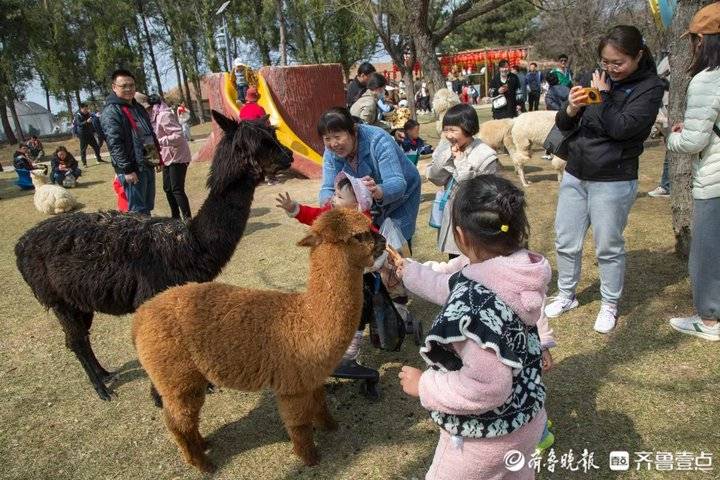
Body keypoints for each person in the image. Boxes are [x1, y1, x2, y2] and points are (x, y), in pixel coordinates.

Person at [395, 175, 548, 480]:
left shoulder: (476, 308)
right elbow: (450, 285)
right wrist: (407, 272)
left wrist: (424, 384)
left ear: (461, 237)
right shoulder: (520, 274)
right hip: (528, 421)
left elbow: (486, 387)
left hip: (485, 438)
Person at [544, 25, 664, 333]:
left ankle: (609, 302)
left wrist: (604, 98)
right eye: (605, 61)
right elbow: (565, 123)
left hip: (613, 177)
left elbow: (622, 128)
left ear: (638, 55)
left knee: (608, 246)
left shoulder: (650, 87)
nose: (610, 68)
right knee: (565, 240)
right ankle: (567, 294)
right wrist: (571, 106)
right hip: (576, 170)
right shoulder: (594, 77)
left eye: (617, 62)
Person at [665, 3, 720, 341]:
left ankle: (710, 320)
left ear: (704, 41)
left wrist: (674, 136)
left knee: (707, 251)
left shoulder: (707, 79)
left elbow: (694, 141)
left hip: (715, 177)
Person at [318, 107, 421, 246]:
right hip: (365, 208)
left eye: (337, 137)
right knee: (366, 251)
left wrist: (378, 190)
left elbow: (397, 182)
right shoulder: (331, 151)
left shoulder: (377, 139)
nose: (333, 144)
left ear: (353, 131)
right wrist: (328, 205)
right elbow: (328, 187)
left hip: (400, 199)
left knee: (396, 251)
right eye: (327, 139)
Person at [427, 104, 498, 258]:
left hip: (474, 220)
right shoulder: (447, 147)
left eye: (453, 130)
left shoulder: (486, 155)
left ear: (468, 128)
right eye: (445, 130)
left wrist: (460, 161)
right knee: (454, 259)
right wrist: (446, 157)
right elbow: (434, 178)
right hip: (452, 216)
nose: (448, 135)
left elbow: (480, 192)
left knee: (474, 260)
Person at [100, 69, 159, 215]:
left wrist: (156, 159)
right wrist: (127, 169)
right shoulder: (111, 111)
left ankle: (147, 235)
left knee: (147, 206)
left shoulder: (137, 107)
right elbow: (114, 144)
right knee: (137, 210)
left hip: (146, 163)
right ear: (114, 87)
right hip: (132, 168)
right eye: (124, 86)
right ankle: (139, 237)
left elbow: (148, 134)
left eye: (131, 85)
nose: (128, 89)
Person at [145, 94, 193, 219]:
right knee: (167, 188)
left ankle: (188, 220)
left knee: (177, 189)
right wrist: (156, 159)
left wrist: (159, 141)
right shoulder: (152, 118)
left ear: (151, 107)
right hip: (167, 157)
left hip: (177, 156)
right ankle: (175, 218)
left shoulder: (164, 115)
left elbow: (178, 136)